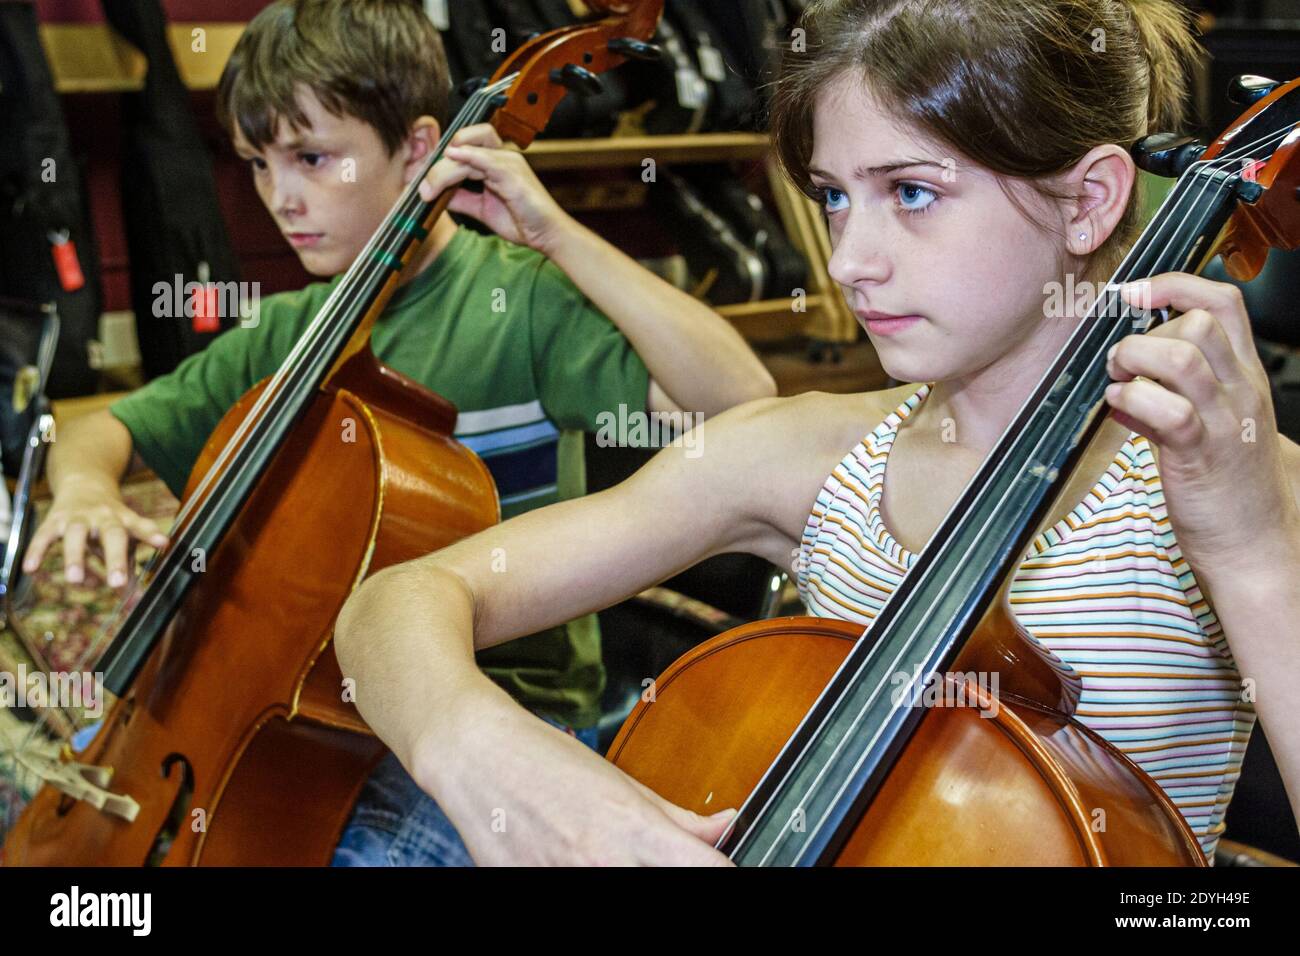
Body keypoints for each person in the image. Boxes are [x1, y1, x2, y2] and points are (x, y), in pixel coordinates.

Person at [334, 0, 1300, 865]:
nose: (846, 261)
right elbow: (397, 602)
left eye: (909, 193)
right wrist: (485, 753)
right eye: (834, 196)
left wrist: (1253, 550)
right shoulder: (804, 454)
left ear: (1087, 200)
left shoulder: (1244, 487)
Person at [17, 0, 776, 865]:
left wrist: (559, 235)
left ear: (420, 148)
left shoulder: (518, 303)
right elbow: (104, 431)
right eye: (258, 164)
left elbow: (738, 397)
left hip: (495, 717)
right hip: (313, 717)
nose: (280, 198)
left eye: (312, 158)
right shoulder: (286, 333)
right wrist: (82, 486)